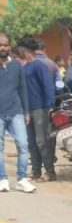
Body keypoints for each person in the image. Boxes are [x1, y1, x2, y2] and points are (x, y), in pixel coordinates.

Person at [0, 32, 35, 193]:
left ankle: (21, 178)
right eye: (0, 45)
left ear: (10, 46)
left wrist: (26, 111)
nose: (3, 47)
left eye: (5, 45)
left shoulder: (16, 65)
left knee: (23, 144)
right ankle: (3, 179)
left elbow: (23, 90)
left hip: (16, 111)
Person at [21, 39, 56, 181]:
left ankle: (50, 172)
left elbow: (48, 86)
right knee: (31, 142)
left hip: (40, 108)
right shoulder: (24, 67)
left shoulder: (39, 66)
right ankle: (36, 172)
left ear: (25, 50)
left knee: (42, 141)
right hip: (28, 110)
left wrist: (50, 105)